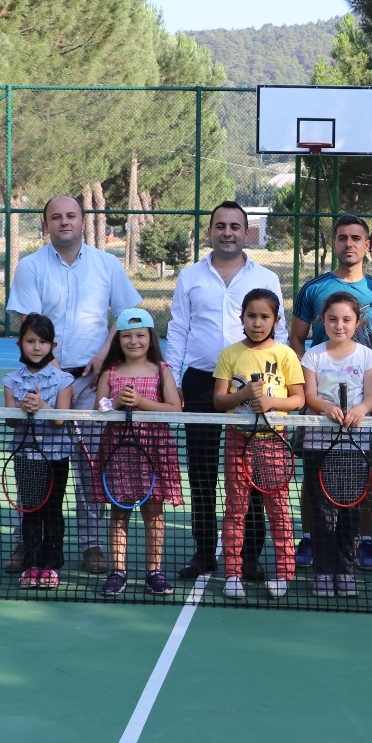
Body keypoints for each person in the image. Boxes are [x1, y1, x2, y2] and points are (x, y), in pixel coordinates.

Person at [6, 194, 143, 576]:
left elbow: (129, 312)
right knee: (33, 465)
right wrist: (49, 371)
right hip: (41, 384)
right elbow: (28, 322)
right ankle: (24, 542)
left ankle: (92, 545)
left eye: (71, 216)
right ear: (46, 224)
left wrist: (104, 354)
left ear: (83, 220)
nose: (64, 222)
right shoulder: (30, 266)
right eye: (56, 217)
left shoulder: (107, 264)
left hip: (90, 383)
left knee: (88, 467)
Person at [165, 200, 287, 581]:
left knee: (250, 476)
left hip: (255, 389)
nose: (228, 232)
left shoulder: (266, 277)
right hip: (201, 383)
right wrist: (171, 380)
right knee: (202, 474)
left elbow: (280, 336)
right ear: (210, 231)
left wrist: (274, 388)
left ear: (245, 230)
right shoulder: (190, 276)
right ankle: (204, 554)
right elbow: (178, 328)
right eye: (221, 226)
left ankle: (249, 558)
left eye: (235, 226)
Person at [290, 214, 372, 571]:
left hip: (361, 401)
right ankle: (310, 537)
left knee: (361, 474)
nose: (348, 243)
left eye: (356, 238)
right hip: (318, 401)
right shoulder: (314, 289)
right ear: (334, 243)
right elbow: (296, 336)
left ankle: (362, 540)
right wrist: (303, 377)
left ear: (367, 246)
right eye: (342, 238)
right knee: (314, 473)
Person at [213, 288, 305, 600]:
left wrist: (268, 401)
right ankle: (233, 575)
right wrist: (243, 396)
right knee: (236, 510)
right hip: (237, 442)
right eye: (251, 315)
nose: (257, 322)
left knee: (278, 510)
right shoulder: (230, 354)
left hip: (274, 444)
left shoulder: (286, 355)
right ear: (241, 319)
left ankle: (283, 573)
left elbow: (299, 399)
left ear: (276, 320)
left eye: (264, 316)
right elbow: (218, 399)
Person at [92, 308, 184, 598]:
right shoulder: (110, 372)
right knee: (119, 512)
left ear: (150, 338)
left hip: (154, 450)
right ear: (118, 339)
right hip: (118, 451)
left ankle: (153, 571)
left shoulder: (162, 370)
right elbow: (99, 410)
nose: (134, 341)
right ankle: (118, 571)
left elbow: (175, 409)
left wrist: (142, 402)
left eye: (140, 335)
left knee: (154, 513)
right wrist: (116, 402)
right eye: (127, 336)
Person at [300, 292, 372, 598]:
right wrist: (325, 408)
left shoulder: (366, 357)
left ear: (357, 322)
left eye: (346, 319)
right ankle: (323, 571)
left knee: (349, 512)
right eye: (332, 319)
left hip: (353, 447)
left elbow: (371, 396)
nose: (339, 325)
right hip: (318, 445)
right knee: (322, 512)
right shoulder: (313, 356)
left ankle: (345, 570)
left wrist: (361, 409)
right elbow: (309, 395)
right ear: (323, 321)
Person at [1, 313, 74, 591]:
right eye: (30, 341)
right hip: (25, 457)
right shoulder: (10, 380)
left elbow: (59, 419)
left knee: (53, 511)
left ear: (52, 346)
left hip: (56, 457)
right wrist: (23, 408)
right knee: (30, 511)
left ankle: (51, 565)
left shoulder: (64, 379)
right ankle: (31, 565)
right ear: (20, 344)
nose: (36, 347)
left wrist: (42, 405)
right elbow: (11, 420)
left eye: (43, 342)